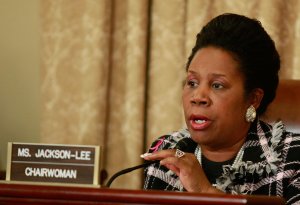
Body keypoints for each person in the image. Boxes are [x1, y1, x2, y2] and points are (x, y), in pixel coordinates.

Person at [141, 13, 300, 204]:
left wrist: (204, 191)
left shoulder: (291, 157)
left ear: (254, 99)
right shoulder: (168, 149)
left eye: (217, 85)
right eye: (192, 82)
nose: (198, 97)